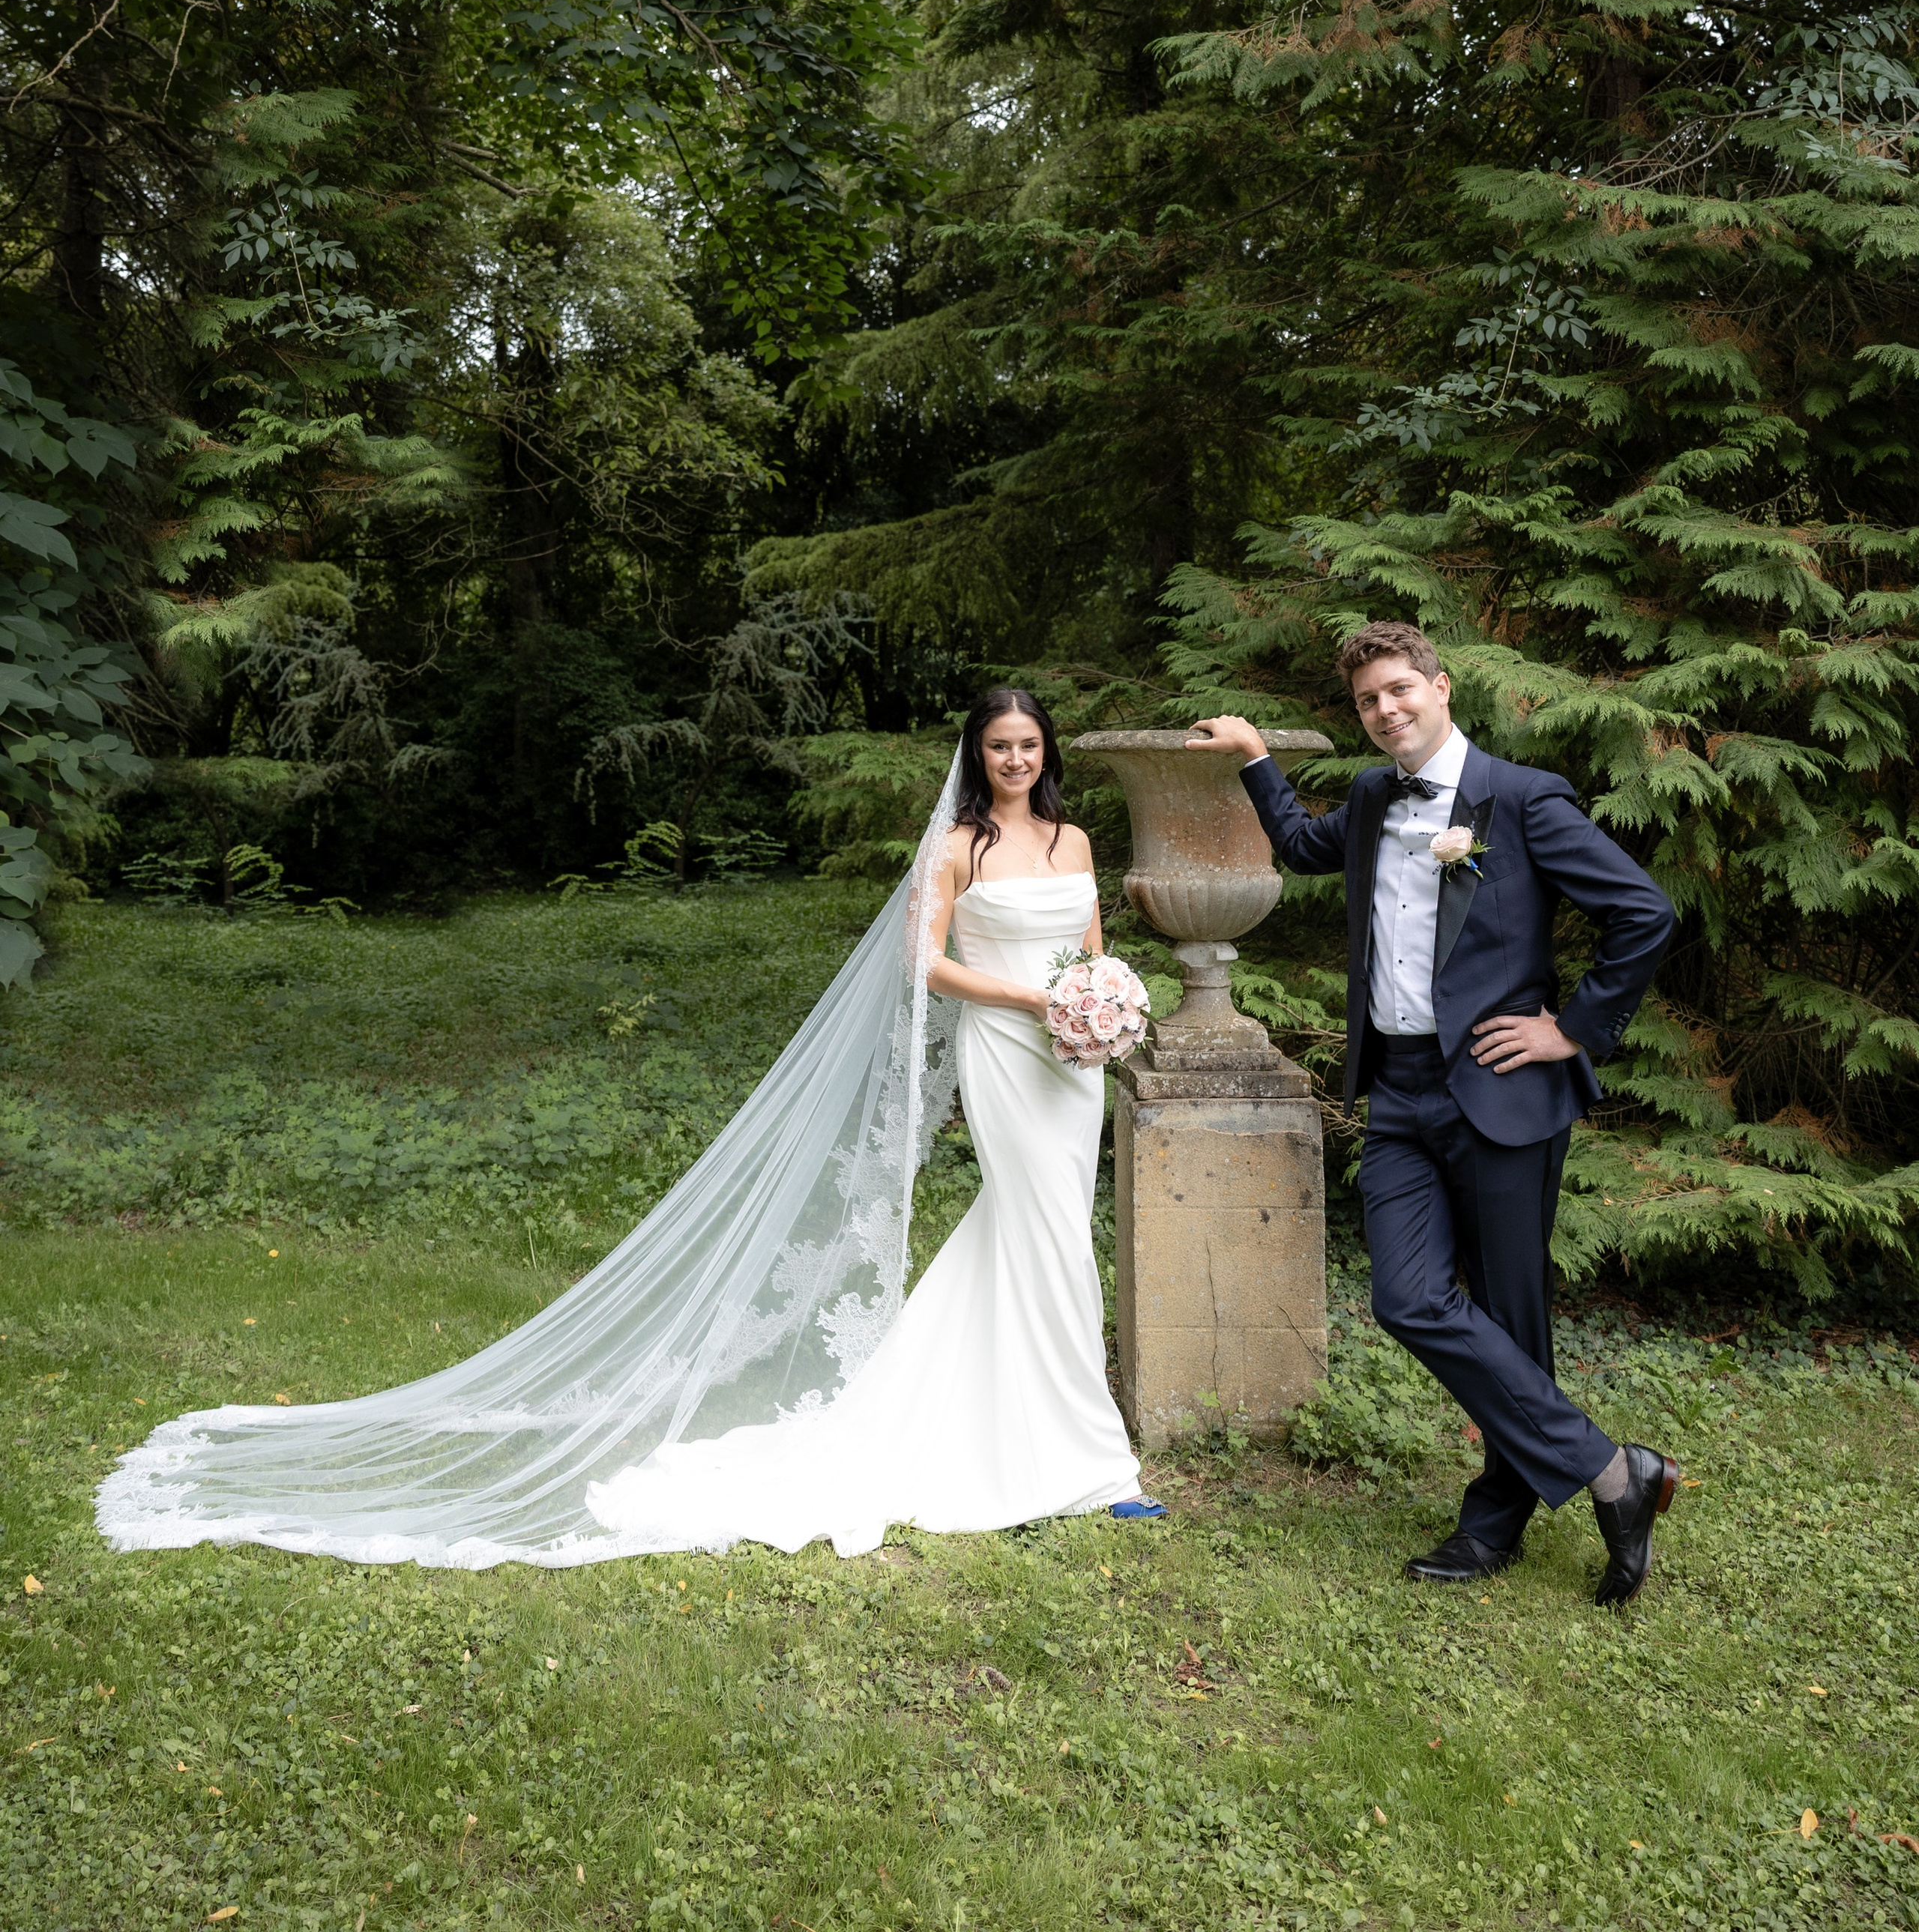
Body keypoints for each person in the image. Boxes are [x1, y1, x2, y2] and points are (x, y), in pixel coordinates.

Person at [96, 688, 1153, 1568]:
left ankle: (1017, 1427)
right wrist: (1032, 1006)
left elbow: (1092, 945)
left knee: (1041, 1235)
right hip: (1009, 1051)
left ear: (1046, 752)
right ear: (977, 756)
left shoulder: (1073, 838)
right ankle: (1088, 1460)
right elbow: (926, 965)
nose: (1015, 759)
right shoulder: (959, 847)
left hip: (1072, 1067)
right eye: (998, 746)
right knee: (1043, 1234)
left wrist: (1100, 1005)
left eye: (1028, 745)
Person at [1190, 622, 1679, 1605]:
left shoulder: (1524, 799)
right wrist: (1255, 757)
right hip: (1401, 1092)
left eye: (1401, 689)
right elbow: (1297, 843)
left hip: (1503, 1091)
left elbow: (1644, 913)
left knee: (1510, 1316)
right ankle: (1616, 1472)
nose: (1387, 710)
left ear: (1442, 688)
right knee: (1406, 1297)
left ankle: (1496, 1523)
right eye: (1370, 700)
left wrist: (1572, 1031)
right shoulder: (1372, 797)